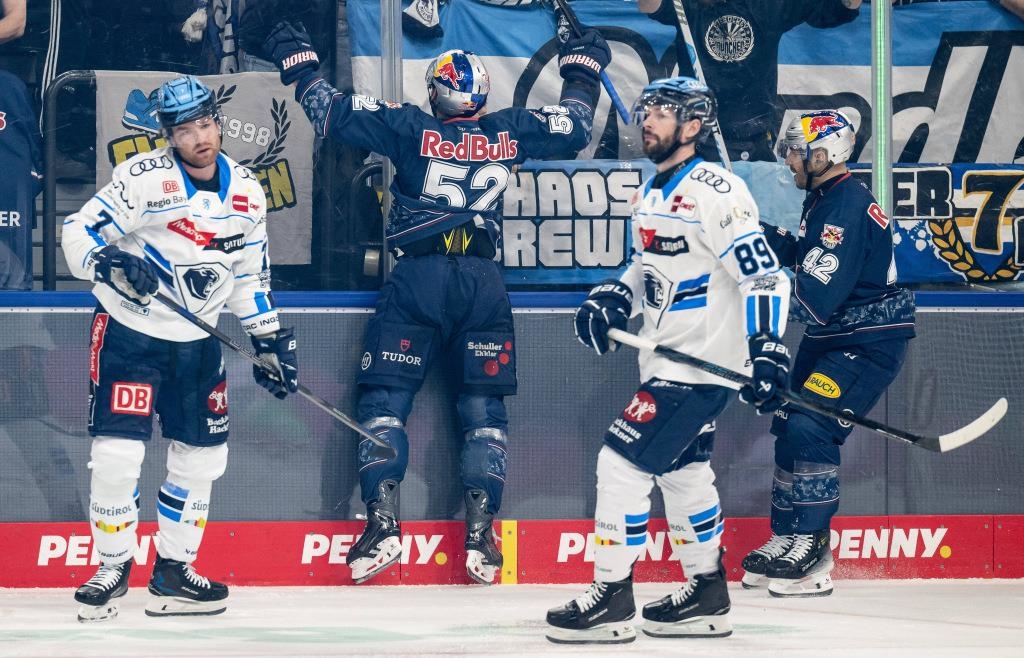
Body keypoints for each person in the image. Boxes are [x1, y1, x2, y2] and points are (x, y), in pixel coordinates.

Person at [262, 20, 609, 584]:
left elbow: (327, 108)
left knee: (384, 403)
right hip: (484, 284)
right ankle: (482, 541)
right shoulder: (512, 130)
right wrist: (582, 68)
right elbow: (573, 127)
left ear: (434, 96)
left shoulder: (408, 127)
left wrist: (296, 56)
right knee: (483, 414)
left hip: (417, 278)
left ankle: (381, 529)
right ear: (481, 95)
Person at [545, 77, 791, 644]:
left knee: (620, 464)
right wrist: (616, 295)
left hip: (698, 368)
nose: (647, 119)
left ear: (694, 125)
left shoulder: (717, 191)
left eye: (663, 111)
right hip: (665, 362)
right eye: (646, 108)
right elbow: (649, 268)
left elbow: (764, 275)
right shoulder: (653, 191)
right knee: (684, 475)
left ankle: (611, 595)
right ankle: (707, 593)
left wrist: (767, 350)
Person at [60, 75, 299, 621]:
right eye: (186, 129)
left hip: (198, 347)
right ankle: (112, 566)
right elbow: (77, 232)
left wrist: (267, 342)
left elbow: (248, 276)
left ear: (217, 122)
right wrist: (110, 261)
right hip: (130, 335)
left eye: (207, 123)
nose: (201, 137)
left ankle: (173, 571)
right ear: (168, 135)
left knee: (203, 459)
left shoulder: (248, 191)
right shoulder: (142, 180)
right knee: (118, 457)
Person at [741, 110, 915, 597]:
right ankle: (787, 536)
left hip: (865, 343)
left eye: (795, 152)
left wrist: (745, 307)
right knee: (788, 425)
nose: (788, 160)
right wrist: (756, 234)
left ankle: (813, 547)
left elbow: (812, 301)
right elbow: (808, 254)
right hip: (833, 339)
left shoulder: (844, 209)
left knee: (810, 426)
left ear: (823, 154)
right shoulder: (826, 197)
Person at [637, 0, 862, 162]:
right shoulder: (690, 5)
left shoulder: (769, 5)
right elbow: (650, 5)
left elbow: (837, 9)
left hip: (753, 139)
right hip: (697, 134)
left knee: (751, 218)